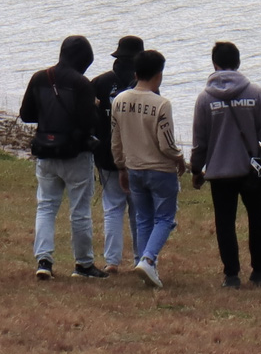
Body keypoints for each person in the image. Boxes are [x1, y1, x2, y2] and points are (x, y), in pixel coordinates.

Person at [190, 41, 261, 289]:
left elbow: (199, 142)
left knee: (225, 223)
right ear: (238, 63)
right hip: (251, 172)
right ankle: (260, 271)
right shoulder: (256, 94)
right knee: (258, 220)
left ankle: (231, 275)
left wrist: (197, 170)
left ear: (214, 64)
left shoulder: (204, 100)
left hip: (219, 173)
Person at [19, 35, 106, 280]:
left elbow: (26, 114)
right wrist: (95, 106)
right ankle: (83, 265)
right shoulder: (82, 84)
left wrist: (49, 119)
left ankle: (44, 261)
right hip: (75, 155)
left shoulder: (39, 78)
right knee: (79, 211)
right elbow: (89, 123)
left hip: (45, 153)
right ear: (83, 61)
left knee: (46, 206)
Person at [110, 49, 186, 288]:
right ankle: (148, 259)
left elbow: (116, 139)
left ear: (136, 73)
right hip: (160, 170)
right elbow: (167, 144)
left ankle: (146, 266)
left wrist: (121, 166)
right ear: (159, 74)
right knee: (164, 218)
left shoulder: (120, 100)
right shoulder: (161, 104)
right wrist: (179, 158)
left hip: (134, 168)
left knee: (143, 218)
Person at [89, 35, 145, 273]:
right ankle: (141, 259)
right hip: (138, 155)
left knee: (112, 207)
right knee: (138, 209)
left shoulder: (100, 83)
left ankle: (112, 261)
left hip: (107, 154)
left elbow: (90, 119)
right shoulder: (146, 86)